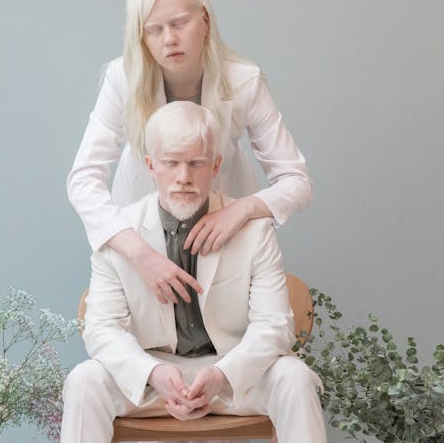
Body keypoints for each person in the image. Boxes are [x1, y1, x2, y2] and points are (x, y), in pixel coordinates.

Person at [60, 102, 327, 443]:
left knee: (295, 377)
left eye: (196, 163)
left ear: (215, 165)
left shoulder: (255, 230)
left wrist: (221, 375)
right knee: (84, 380)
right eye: (171, 163)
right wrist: (153, 373)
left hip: (232, 374)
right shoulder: (119, 234)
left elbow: (275, 326)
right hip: (153, 379)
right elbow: (101, 329)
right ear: (150, 166)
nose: (183, 176)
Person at [67, 0, 312, 306]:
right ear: (140, 37)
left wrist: (240, 210)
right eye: (154, 29)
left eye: (180, 23)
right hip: (141, 238)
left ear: (205, 21)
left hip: (226, 239)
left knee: (228, 331)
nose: (169, 39)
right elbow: (82, 180)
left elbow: (296, 180)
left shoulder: (243, 81)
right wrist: (139, 253)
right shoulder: (121, 80)